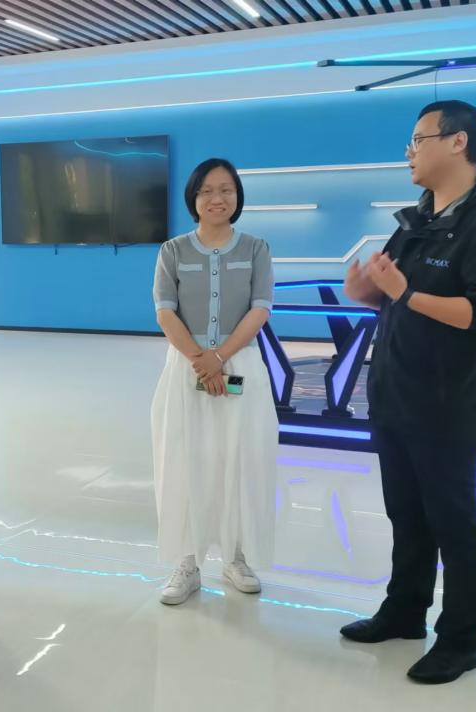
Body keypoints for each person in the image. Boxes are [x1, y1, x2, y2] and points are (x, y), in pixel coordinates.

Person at [341, 100, 476, 684]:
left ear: (458, 142)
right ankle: (404, 611)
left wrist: (404, 293)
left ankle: (461, 639)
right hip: (397, 394)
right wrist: (367, 290)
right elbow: (392, 296)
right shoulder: (419, 217)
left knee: (453, 522)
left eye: (418, 139)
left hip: (450, 404)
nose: (410, 152)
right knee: (406, 514)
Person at [150, 157, 278, 606]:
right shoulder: (173, 251)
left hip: (240, 364)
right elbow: (165, 312)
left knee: (240, 458)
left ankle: (236, 557)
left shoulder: (257, 249)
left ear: (237, 196)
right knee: (185, 458)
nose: (216, 198)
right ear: (194, 198)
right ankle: (187, 562)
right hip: (186, 368)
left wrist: (219, 357)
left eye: (226, 190)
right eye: (206, 190)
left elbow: (260, 309)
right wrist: (201, 361)